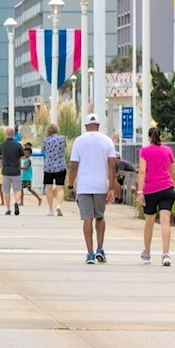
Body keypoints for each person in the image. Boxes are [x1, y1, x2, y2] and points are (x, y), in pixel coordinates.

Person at [67, 113, 121, 265]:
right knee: (100, 216)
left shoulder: (79, 141)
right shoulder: (107, 141)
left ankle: (90, 253)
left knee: (87, 219)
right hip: (100, 185)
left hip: (84, 186)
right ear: (98, 126)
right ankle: (100, 248)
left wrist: (71, 185)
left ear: (85, 126)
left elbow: (73, 166)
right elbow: (112, 165)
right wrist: (111, 188)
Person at [137, 126, 175, 266]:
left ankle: (147, 253)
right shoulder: (168, 150)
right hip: (167, 188)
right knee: (165, 221)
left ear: (149, 138)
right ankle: (166, 254)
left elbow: (142, 171)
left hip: (150, 190)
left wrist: (140, 191)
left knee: (149, 222)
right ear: (160, 137)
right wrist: (170, 183)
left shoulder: (144, 151)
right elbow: (171, 169)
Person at [41, 123, 68, 217]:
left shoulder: (45, 140)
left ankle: (50, 209)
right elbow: (64, 149)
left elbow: (43, 151)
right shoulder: (62, 139)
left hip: (48, 167)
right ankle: (59, 205)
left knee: (49, 188)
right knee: (60, 188)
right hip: (60, 166)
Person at [0, 126, 24, 215]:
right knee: (18, 189)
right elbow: (22, 156)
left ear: (6, 134)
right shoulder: (18, 145)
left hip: (6, 170)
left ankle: (8, 209)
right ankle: (16, 201)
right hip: (16, 170)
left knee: (6, 190)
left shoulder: (2, 145)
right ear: (13, 134)